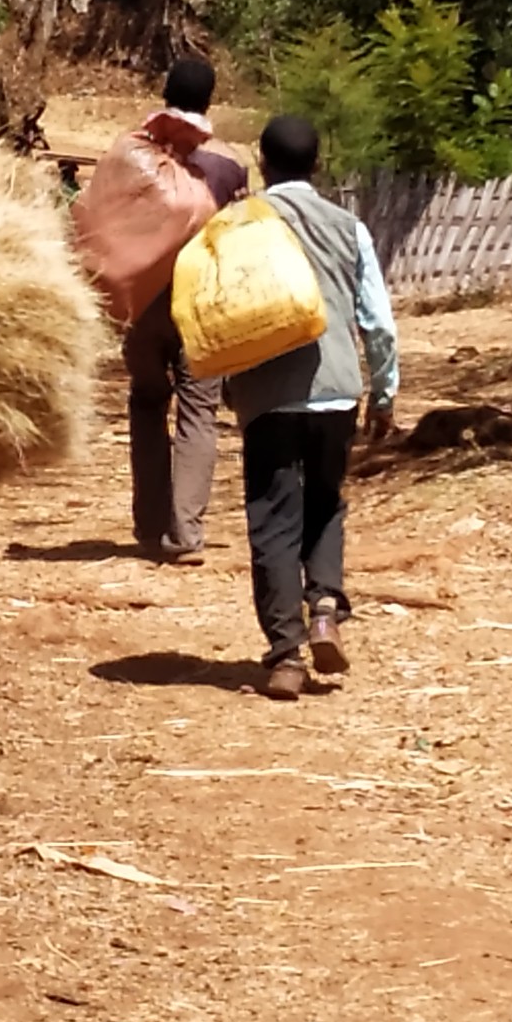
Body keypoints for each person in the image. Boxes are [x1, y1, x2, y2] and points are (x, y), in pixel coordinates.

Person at [225, 115, 399, 698]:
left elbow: (214, 308)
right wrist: (385, 391)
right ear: (317, 165)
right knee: (324, 503)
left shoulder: (238, 224)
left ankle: (286, 656)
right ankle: (323, 605)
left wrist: (225, 382)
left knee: (274, 519)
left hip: (267, 394)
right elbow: (377, 320)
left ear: (261, 162)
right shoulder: (349, 227)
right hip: (336, 390)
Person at [124, 55, 248, 565]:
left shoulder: (134, 154)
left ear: (165, 91)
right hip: (202, 305)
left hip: (147, 304)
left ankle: (151, 525)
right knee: (199, 412)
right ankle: (185, 534)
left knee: (147, 404)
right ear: (210, 99)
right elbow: (242, 237)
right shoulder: (229, 165)